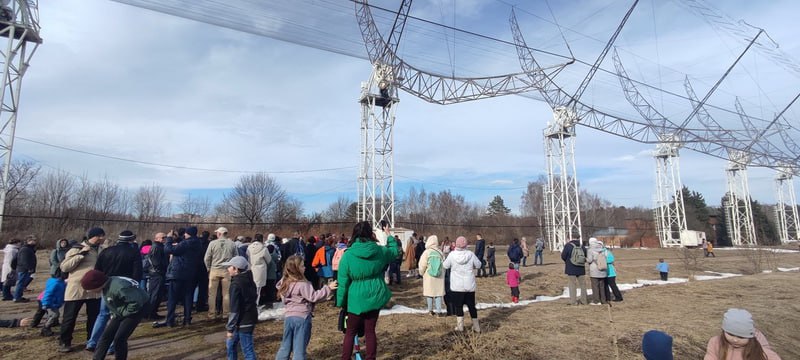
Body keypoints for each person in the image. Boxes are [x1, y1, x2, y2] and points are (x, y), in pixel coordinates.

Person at [337, 221, 399, 360]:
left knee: (350, 332)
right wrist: (389, 235)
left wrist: (341, 302)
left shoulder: (348, 255)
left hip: (355, 298)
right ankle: (371, 358)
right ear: (371, 233)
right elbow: (395, 252)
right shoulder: (379, 251)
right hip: (375, 294)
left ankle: (345, 358)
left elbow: (343, 282)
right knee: (370, 331)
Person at [88, 230, 143, 353]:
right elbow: (137, 273)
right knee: (118, 317)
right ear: (131, 240)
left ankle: (92, 342)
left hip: (106, 287)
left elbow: (97, 270)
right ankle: (112, 345)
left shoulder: (107, 251)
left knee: (102, 315)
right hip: (124, 289)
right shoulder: (134, 252)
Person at [275, 255, 338, 360]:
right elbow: (313, 297)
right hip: (302, 318)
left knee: (285, 345)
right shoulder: (303, 284)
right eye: (302, 266)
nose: (305, 268)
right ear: (297, 269)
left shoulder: (284, 283)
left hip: (289, 317)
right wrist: (328, 288)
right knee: (299, 348)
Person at [80, 269, 149, 360]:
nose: (89, 292)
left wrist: (124, 313)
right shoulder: (107, 286)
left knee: (119, 338)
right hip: (121, 311)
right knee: (106, 336)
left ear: (97, 284)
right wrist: (115, 313)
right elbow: (113, 302)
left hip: (137, 309)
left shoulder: (119, 287)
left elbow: (136, 302)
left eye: (90, 289)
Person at [58, 227, 105, 353]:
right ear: (95, 236)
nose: (103, 238)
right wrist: (81, 254)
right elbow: (65, 267)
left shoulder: (101, 250)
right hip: (76, 289)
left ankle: (91, 341)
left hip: (94, 290)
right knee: (70, 317)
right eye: (101, 236)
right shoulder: (76, 248)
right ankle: (64, 342)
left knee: (94, 317)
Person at [154, 227, 202, 328]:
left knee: (172, 298)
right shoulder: (198, 243)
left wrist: (169, 239)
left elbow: (168, 250)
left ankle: (170, 320)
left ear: (188, 233)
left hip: (178, 273)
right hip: (190, 273)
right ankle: (187, 319)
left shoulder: (186, 243)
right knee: (188, 297)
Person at [704, 308, 782, 360]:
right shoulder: (715, 342)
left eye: (741, 337)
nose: (735, 340)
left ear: (750, 337)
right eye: (730, 334)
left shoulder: (758, 348)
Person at [220, 256, 258, 360]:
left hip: (243, 321)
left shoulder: (236, 284)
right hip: (250, 318)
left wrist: (230, 328)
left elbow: (234, 309)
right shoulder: (250, 280)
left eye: (230, 267)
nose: (228, 269)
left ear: (236, 269)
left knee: (247, 350)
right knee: (231, 344)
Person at [443, 236, 482, 332]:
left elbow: (445, 265)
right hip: (469, 285)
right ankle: (476, 327)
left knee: (458, 306)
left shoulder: (452, 255)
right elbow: (479, 265)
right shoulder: (471, 254)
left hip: (457, 286)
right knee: (471, 306)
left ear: (456, 244)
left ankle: (460, 327)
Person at [205, 227, 238, 320]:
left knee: (212, 294)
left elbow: (207, 257)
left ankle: (211, 314)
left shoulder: (212, 243)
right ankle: (226, 314)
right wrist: (233, 268)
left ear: (219, 234)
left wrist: (208, 268)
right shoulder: (232, 244)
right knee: (226, 294)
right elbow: (236, 257)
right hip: (227, 270)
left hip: (214, 269)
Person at [31, 271, 67, 336]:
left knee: (47, 314)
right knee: (54, 314)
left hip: (50, 301)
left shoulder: (60, 282)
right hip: (46, 301)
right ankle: (45, 328)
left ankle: (42, 325)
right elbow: (48, 293)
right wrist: (45, 303)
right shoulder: (56, 283)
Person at [418, 235, 445, 316]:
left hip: (429, 276)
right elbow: (444, 264)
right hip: (439, 277)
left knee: (429, 293)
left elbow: (422, 265)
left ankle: (430, 310)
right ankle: (439, 311)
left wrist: (421, 273)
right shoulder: (440, 252)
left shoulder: (426, 252)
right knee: (438, 294)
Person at [146, 232, 168, 320]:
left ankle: (152, 312)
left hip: (158, 273)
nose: (164, 239)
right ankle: (151, 313)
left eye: (165, 237)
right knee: (154, 294)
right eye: (162, 238)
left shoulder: (160, 247)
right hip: (156, 274)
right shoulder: (156, 247)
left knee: (157, 294)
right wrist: (161, 270)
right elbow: (155, 262)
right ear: (156, 238)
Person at [247, 233, 271, 309]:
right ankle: (255, 305)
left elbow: (247, 256)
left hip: (251, 268)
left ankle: (250, 304)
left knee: (251, 288)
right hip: (260, 270)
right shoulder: (264, 248)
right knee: (258, 290)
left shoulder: (249, 247)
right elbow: (269, 259)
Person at [560, 238, 588, 306]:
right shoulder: (582, 246)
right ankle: (584, 301)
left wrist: (568, 261)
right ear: (578, 238)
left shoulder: (568, 246)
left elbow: (563, 256)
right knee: (583, 285)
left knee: (572, 285)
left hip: (571, 268)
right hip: (581, 268)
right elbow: (585, 255)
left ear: (571, 238)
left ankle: (573, 301)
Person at [14, 235, 37, 302]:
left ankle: (19, 296)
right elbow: (24, 260)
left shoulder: (29, 248)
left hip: (24, 269)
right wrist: (29, 268)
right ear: (28, 241)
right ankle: (17, 297)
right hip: (23, 269)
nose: (34, 242)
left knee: (22, 283)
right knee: (21, 283)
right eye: (33, 240)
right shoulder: (25, 249)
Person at [586, 238, 608, 305]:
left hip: (594, 270)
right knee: (602, 286)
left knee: (595, 286)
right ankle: (603, 300)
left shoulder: (590, 250)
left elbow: (589, 260)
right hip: (602, 269)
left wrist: (585, 259)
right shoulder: (603, 249)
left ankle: (596, 301)